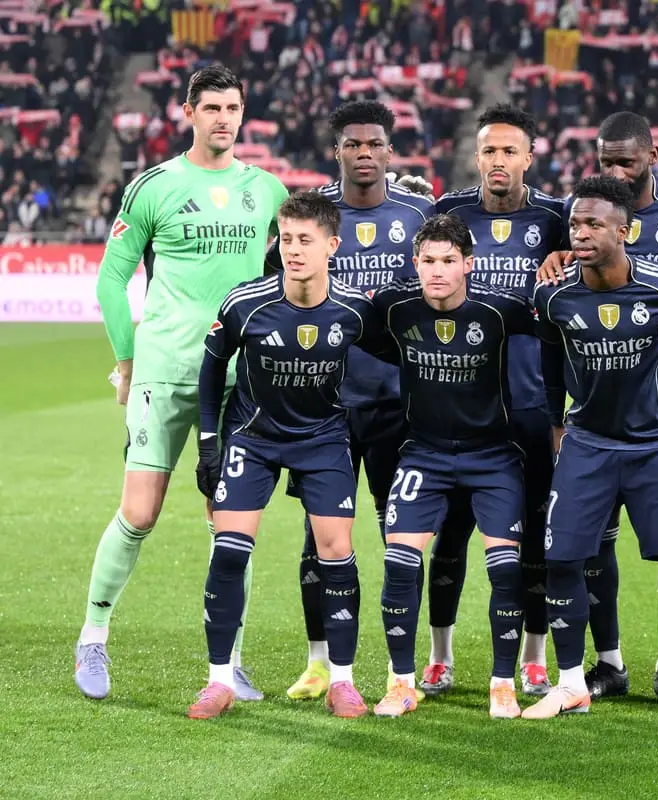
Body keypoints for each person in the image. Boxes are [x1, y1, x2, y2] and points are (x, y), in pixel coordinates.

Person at [77, 64, 289, 701]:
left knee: (232, 526)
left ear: (243, 113)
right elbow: (110, 281)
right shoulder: (155, 187)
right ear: (189, 112)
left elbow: (294, 272)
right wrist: (125, 359)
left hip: (237, 381)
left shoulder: (269, 191)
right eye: (212, 108)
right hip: (166, 372)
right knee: (139, 513)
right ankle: (93, 637)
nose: (224, 119)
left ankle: (229, 663)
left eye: (234, 108)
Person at [537, 112, 658, 705]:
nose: (581, 233)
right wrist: (554, 422)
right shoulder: (554, 293)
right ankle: (584, 676)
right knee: (571, 551)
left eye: (594, 225)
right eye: (576, 226)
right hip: (588, 439)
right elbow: (547, 361)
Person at [189, 192, 393, 719]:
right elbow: (211, 371)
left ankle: (343, 682)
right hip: (253, 439)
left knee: (336, 554)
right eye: (285, 239)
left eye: (305, 240)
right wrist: (209, 444)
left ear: (332, 245)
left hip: (323, 439)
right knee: (230, 551)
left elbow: (399, 353)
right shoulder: (246, 303)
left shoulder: (355, 309)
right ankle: (218, 680)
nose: (293, 250)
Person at [283, 100, 452, 702]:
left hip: (396, 403)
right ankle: (318, 661)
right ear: (337, 151)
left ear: (389, 150)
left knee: (398, 535)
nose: (362, 153)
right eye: (351, 144)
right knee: (319, 537)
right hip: (322, 405)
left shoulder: (418, 212)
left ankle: (401, 666)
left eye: (373, 144)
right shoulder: (312, 216)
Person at [422, 103, 567, 698]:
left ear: (530, 157)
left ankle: (534, 656)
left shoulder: (559, 219)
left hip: (531, 403)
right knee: (451, 530)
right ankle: (440, 654)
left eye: (510, 150)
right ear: (475, 156)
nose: (498, 161)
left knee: (535, 531)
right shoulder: (449, 214)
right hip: (460, 402)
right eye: (489, 150)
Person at [368, 214, 536, 720]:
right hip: (424, 452)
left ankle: (502, 683)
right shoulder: (392, 308)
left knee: (506, 568)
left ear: (468, 263)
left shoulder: (501, 310)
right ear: (414, 263)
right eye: (427, 261)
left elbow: (558, 327)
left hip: (494, 456)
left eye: (447, 261)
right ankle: (400, 682)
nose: (436, 271)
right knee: (400, 563)